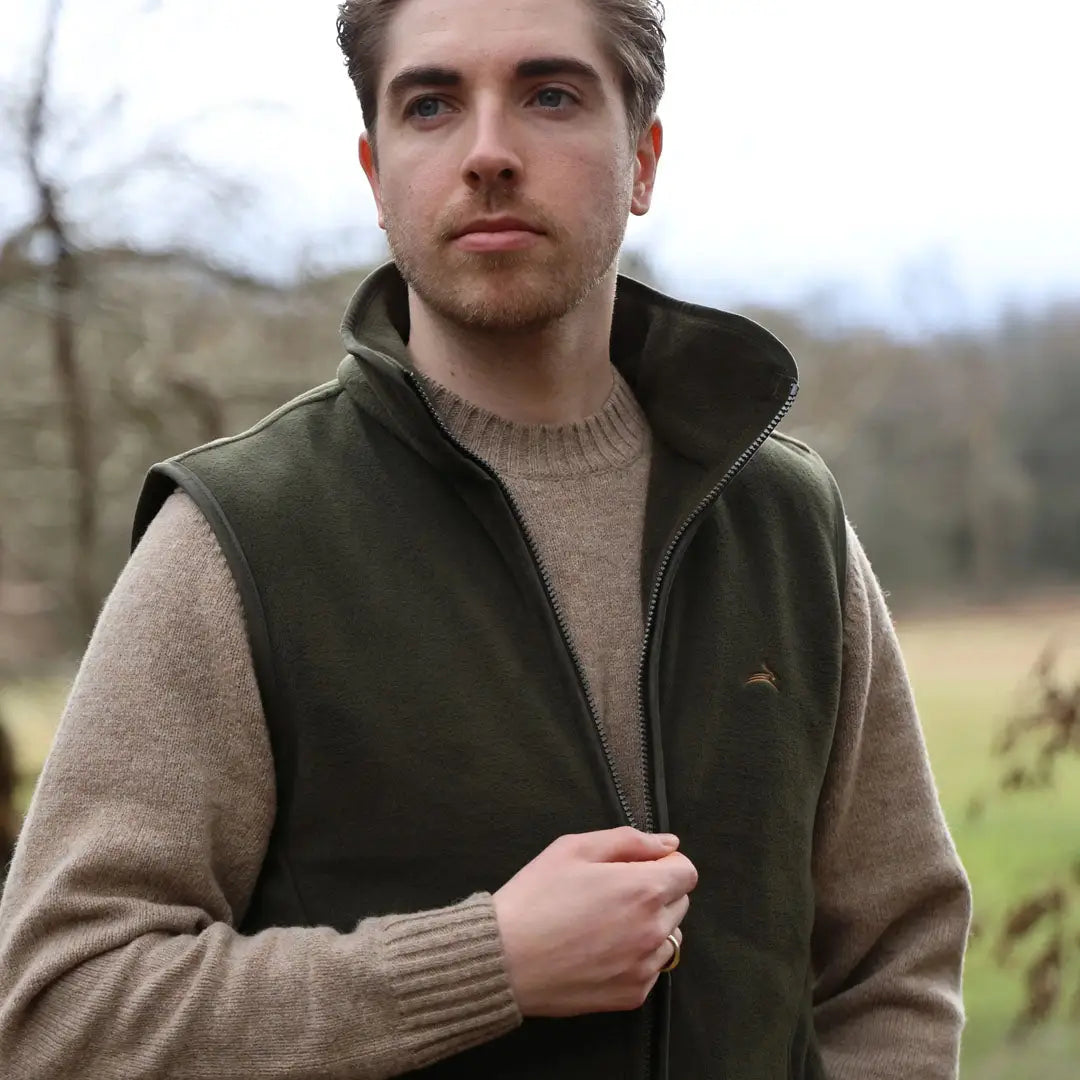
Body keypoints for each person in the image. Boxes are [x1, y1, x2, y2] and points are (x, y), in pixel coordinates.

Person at [0, 0, 971, 1076]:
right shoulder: (239, 542)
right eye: (432, 104)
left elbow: (894, 959)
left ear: (642, 160)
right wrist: (484, 963)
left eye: (550, 95)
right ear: (375, 174)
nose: (490, 153)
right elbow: (62, 1008)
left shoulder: (786, 520)